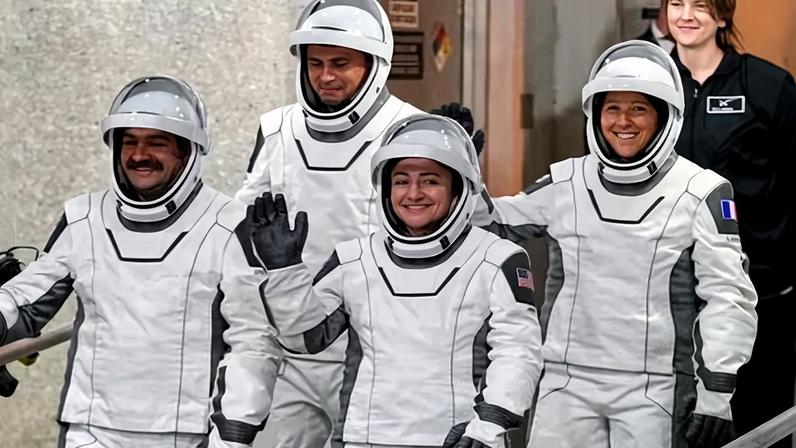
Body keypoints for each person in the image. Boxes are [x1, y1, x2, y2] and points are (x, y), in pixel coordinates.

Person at [474, 40, 758, 448]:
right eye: (613, 108)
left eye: (638, 108)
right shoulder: (566, 182)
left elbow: (728, 297)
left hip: (655, 390)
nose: (623, 121)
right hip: (564, 383)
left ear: (665, 116)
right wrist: (457, 167)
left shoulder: (701, 192)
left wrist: (715, 392)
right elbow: (492, 223)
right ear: (596, 115)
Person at [0, 76, 281, 447]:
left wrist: (232, 434)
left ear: (188, 151)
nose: (139, 155)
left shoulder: (228, 225)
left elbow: (253, 342)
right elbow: (23, 300)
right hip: (89, 433)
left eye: (157, 143)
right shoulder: (83, 218)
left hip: (184, 436)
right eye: (128, 141)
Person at [250, 114, 543, 448]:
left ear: (459, 188)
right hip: (365, 438)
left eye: (430, 181)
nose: (413, 193)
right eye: (401, 181)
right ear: (385, 189)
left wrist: (492, 422)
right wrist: (285, 270)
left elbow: (518, 352)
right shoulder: (354, 258)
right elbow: (305, 337)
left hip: (462, 439)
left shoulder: (498, 258)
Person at [235, 1, 432, 447]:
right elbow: (237, 230)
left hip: (381, 355)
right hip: (291, 348)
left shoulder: (409, 128)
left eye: (341, 63)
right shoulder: (278, 129)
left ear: (374, 66)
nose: (325, 76)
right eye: (316, 63)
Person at [665, 1, 796, 445]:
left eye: (699, 5)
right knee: (679, 427)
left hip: (762, 293)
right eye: (675, 3)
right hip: (671, 297)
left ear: (722, 15)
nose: (685, 14)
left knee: (763, 426)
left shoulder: (769, 86)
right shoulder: (646, 85)